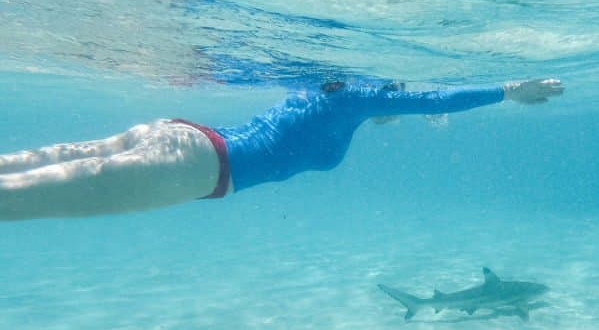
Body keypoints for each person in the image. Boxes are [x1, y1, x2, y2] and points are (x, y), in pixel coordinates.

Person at [0, 77, 564, 220]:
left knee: (20, 173)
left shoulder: (325, 95)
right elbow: (436, 99)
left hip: (181, 138)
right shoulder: (354, 97)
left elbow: (416, 104)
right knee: (17, 199)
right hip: (194, 167)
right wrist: (509, 91)